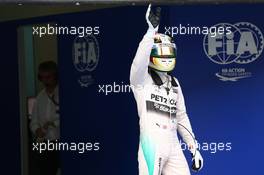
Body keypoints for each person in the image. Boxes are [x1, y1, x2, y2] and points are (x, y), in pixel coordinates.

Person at [130, 5, 203, 175]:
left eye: (169, 52)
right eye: (161, 52)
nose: (166, 56)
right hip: (151, 143)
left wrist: (194, 149)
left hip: (173, 144)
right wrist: (150, 33)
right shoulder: (141, 80)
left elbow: (182, 117)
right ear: (152, 54)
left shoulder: (175, 83)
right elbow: (138, 63)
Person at [30, 60, 60, 175]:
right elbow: (34, 122)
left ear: (55, 76)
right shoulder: (40, 97)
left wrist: (53, 124)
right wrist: (37, 130)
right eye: (42, 78)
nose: (45, 81)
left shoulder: (64, 93)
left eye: (48, 77)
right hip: (45, 143)